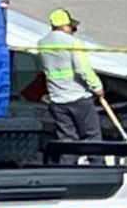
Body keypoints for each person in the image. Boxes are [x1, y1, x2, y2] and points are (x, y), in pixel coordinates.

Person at [38, 8, 105, 142]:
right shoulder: (73, 43)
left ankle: (66, 163)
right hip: (78, 98)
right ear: (64, 26)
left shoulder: (42, 44)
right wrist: (97, 87)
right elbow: (83, 69)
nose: (73, 31)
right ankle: (96, 162)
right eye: (72, 28)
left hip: (57, 100)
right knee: (92, 136)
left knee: (67, 139)